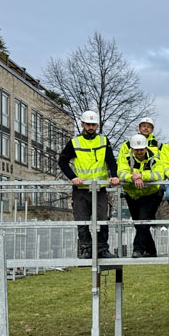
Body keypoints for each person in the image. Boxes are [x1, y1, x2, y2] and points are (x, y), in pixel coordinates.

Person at [58, 110, 119, 259]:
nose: (91, 127)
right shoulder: (75, 142)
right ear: (82, 124)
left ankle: (102, 249)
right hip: (81, 189)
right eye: (88, 124)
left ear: (97, 125)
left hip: (100, 188)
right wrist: (73, 177)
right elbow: (62, 161)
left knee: (102, 220)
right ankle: (86, 249)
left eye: (93, 124)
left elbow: (111, 161)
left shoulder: (104, 141)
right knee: (82, 220)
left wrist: (115, 176)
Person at [118, 134, 163, 258]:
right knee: (139, 223)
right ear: (132, 149)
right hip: (132, 195)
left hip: (151, 195)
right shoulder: (125, 158)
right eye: (136, 149)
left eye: (141, 149)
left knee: (142, 221)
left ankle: (137, 249)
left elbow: (159, 174)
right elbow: (121, 173)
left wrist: (142, 176)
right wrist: (132, 177)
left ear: (146, 148)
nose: (139, 152)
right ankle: (151, 250)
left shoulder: (154, 158)